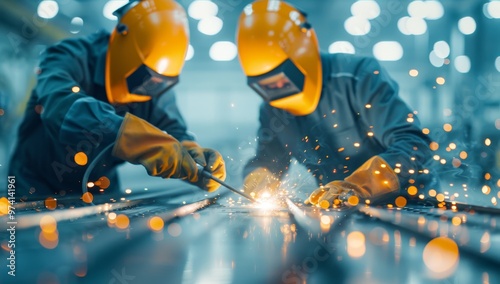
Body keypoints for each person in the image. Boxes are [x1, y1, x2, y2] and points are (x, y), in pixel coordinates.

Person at [8, 0, 226, 202]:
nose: (149, 86)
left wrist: (193, 155)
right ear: (121, 40)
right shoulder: (67, 56)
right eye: (145, 76)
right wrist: (133, 138)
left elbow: (173, 129)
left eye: (159, 81)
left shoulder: (156, 82)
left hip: (101, 191)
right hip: (33, 188)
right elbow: (61, 108)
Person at [236, 0, 438, 208]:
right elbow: (268, 159)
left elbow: (414, 145)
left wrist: (360, 185)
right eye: (266, 85)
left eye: (281, 79)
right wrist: (258, 177)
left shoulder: (357, 77)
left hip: (407, 206)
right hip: (336, 211)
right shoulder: (273, 109)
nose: (277, 89)